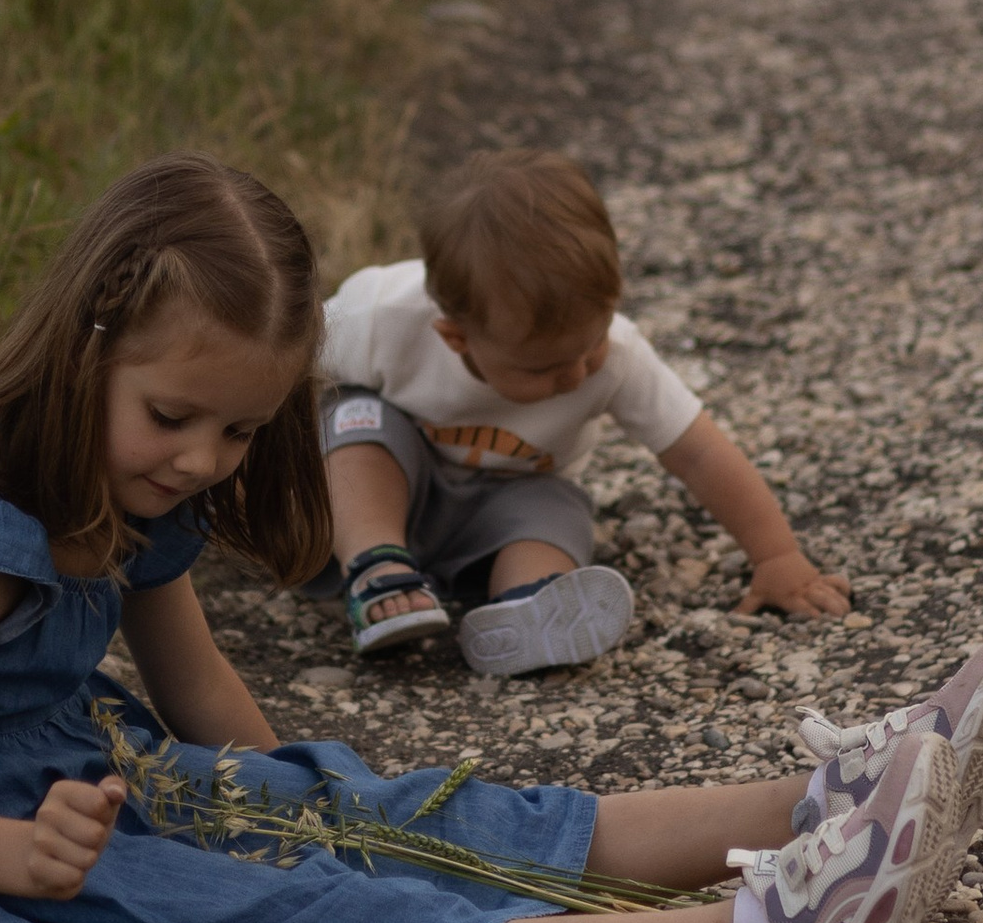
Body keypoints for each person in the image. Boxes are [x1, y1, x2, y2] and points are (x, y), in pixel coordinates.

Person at [0, 150, 983, 923]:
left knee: (391, 820)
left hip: (75, 778)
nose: (207, 458)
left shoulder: (133, 487)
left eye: (245, 430)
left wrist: (305, 809)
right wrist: (21, 860)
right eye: (175, 418)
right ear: (84, 346)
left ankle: (832, 805)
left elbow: (198, 684)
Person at [317, 146, 848, 673]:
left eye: (588, 348)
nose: (574, 376)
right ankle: (377, 567)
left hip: (508, 504)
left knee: (558, 509)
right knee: (358, 420)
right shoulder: (379, 318)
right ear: (456, 337)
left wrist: (777, 558)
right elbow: (275, 368)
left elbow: (700, 453)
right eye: (541, 368)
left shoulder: (617, 354)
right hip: (392, 492)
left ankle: (527, 605)